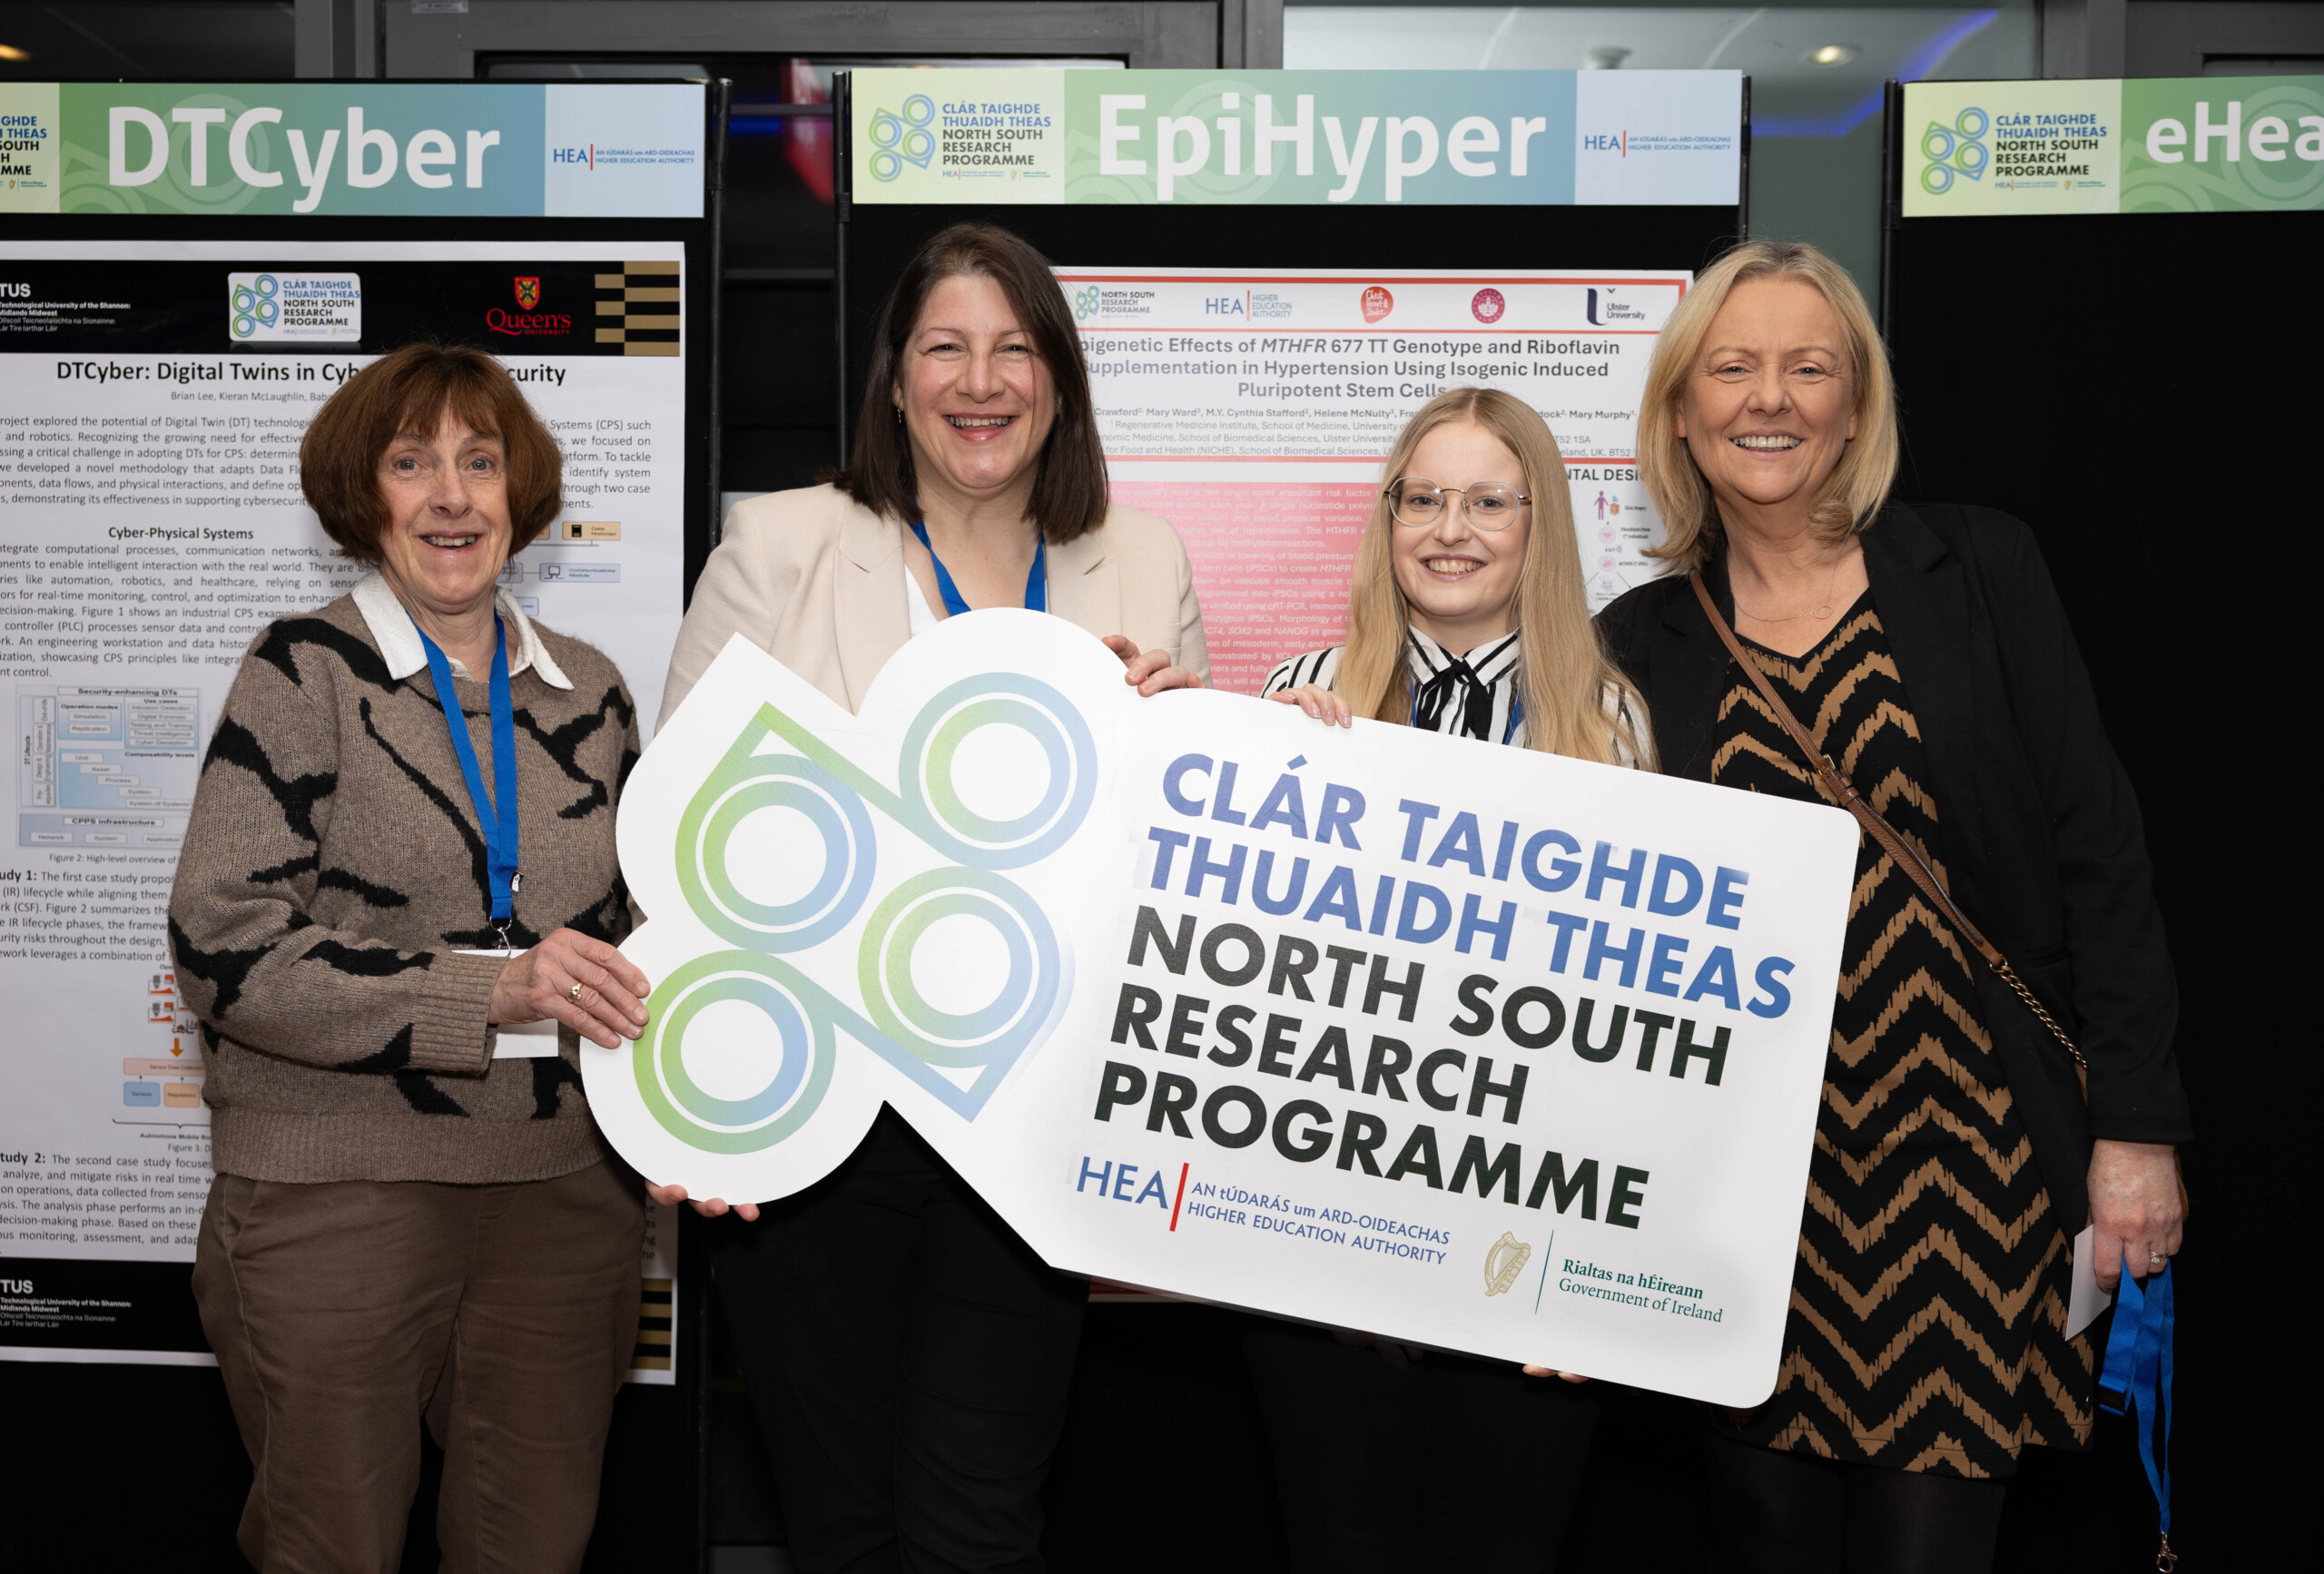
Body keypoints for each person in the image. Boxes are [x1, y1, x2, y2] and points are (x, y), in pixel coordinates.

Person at [1594, 241, 2191, 1573]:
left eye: (1810, 366)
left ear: (1856, 405)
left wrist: (2138, 1129)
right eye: (1732, 367)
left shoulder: (1979, 571)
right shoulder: (1639, 639)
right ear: (1682, 410)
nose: (1771, 397)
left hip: (1962, 1165)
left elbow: (2101, 849)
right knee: (1759, 1532)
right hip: (1745, 1179)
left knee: (1930, 1541)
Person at [651, 221, 1207, 1574]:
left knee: (979, 1520)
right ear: (895, 381)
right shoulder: (781, 548)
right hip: (818, 1117)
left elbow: (1179, 872)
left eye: (1015, 349)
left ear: (1060, 383)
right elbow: (680, 843)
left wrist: (1181, 742)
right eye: (945, 347)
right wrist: (700, 1103)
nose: (981, 380)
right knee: (838, 1522)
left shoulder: (1142, 560)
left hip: (1029, 1121)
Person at [171, 342, 655, 1574]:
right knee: (329, 1547)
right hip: (339, 1194)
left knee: (533, 1547)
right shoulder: (301, 674)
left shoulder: (590, 693)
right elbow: (224, 947)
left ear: (519, 492)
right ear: (361, 495)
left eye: (480, 462)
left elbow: (655, 944)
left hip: (561, 1194)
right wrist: (485, 988)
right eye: (411, 462)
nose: (452, 496)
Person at [1256, 388, 1651, 1572]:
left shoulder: (1610, 720)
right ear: (1386, 519)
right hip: (1321, 1260)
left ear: (1541, 525)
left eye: (1488, 500)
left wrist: (1593, 1278)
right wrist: (1251, 772)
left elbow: (1629, 1023)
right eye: (1422, 497)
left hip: (1524, 1261)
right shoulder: (1300, 694)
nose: (1451, 527)